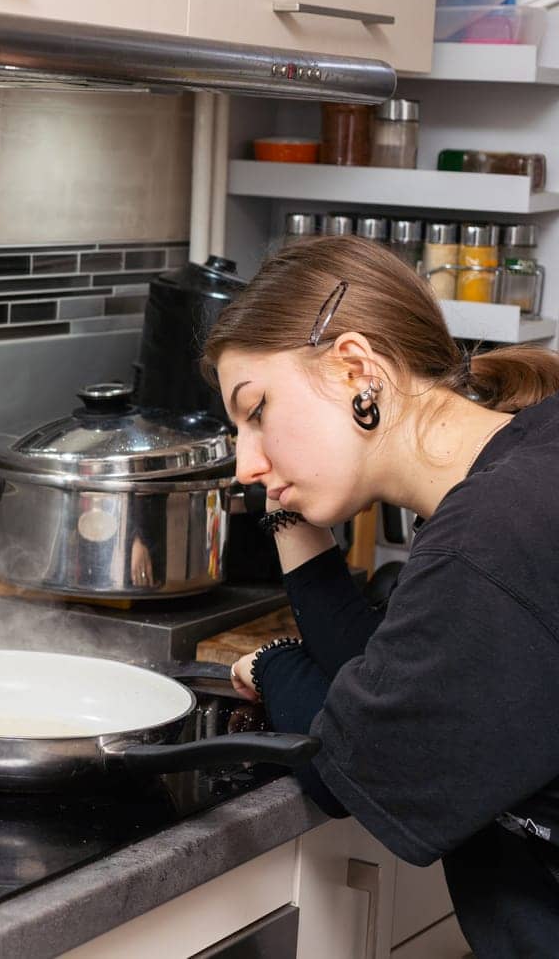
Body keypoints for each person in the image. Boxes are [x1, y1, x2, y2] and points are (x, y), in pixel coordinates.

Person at [202, 235, 559, 957]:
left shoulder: (488, 538)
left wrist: (273, 664)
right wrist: (288, 502)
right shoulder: (526, 465)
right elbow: (390, 674)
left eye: (258, 410)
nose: (245, 463)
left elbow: (348, 759)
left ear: (356, 368)